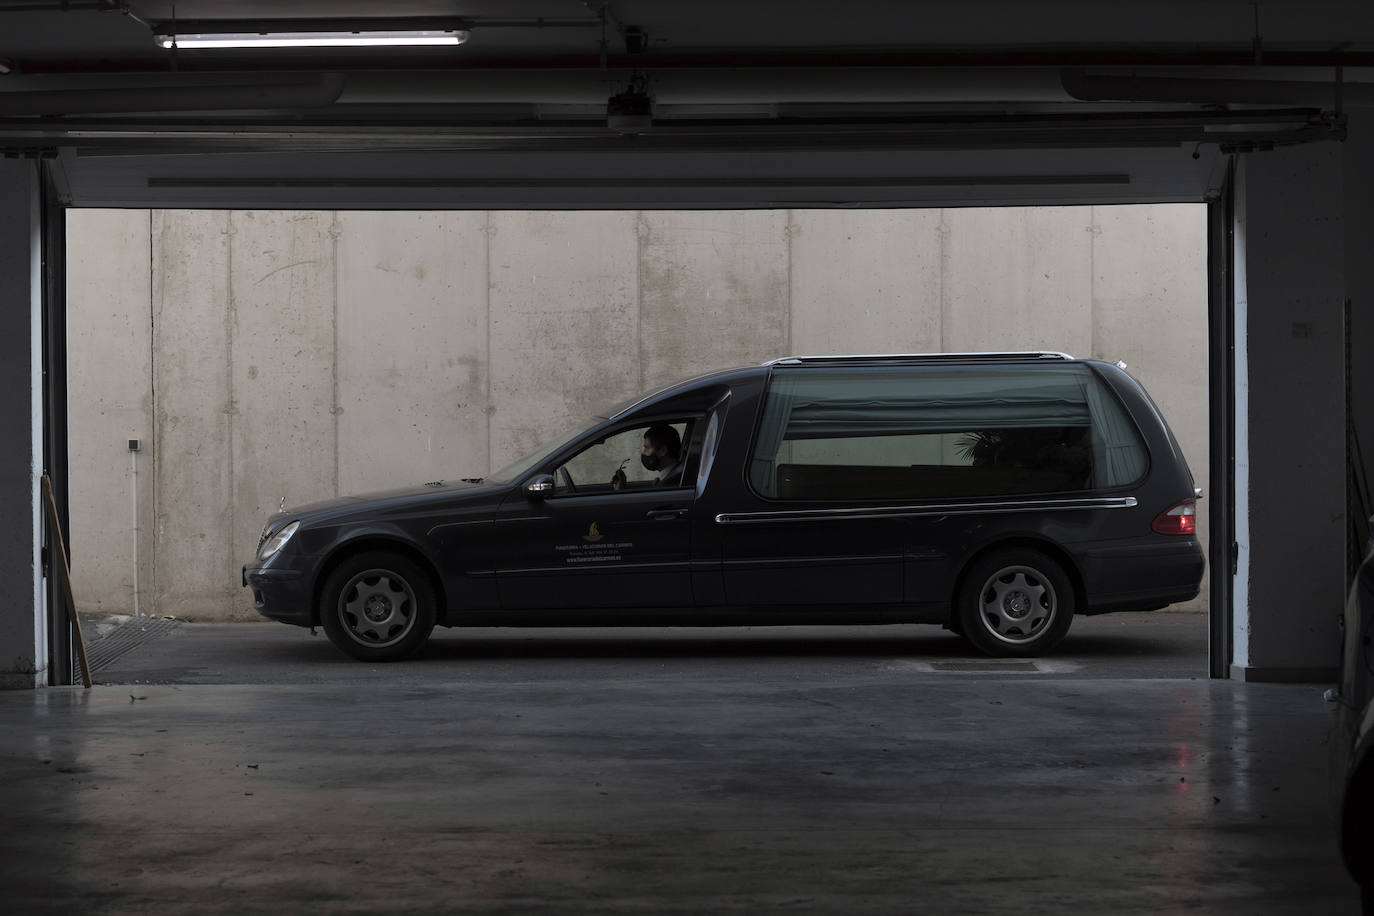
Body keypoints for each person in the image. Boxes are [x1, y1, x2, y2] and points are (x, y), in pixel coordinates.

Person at [611, 424, 683, 490]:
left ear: (663, 451)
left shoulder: (669, 485)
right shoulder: (674, 476)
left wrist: (618, 491)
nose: (644, 453)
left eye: (647, 448)